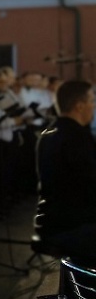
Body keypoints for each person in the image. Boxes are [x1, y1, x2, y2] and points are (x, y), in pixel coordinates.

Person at [35, 80, 96, 260]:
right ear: (79, 106)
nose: (93, 106)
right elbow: (89, 184)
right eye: (92, 101)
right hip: (72, 223)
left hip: (52, 219)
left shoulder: (49, 132)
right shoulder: (77, 137)